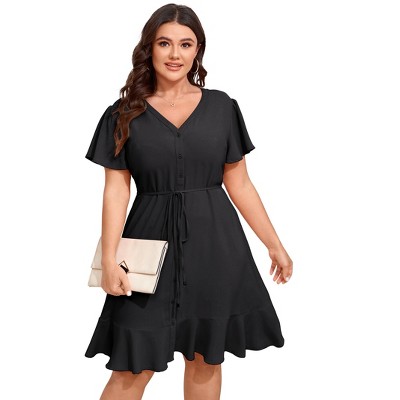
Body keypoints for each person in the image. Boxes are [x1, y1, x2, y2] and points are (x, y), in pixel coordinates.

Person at [84, 3, 293, 400]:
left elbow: (240, 184)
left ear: (198, 50)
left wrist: (274, 244)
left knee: (204, 357)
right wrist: (109, 259)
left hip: (215, 245)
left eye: (185, 44)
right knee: (132, 365)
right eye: (165, 43)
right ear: (149, 47)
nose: (175, 54)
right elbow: (116, 191)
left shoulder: (222, 107)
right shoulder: (122, 114)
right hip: (148, 247)